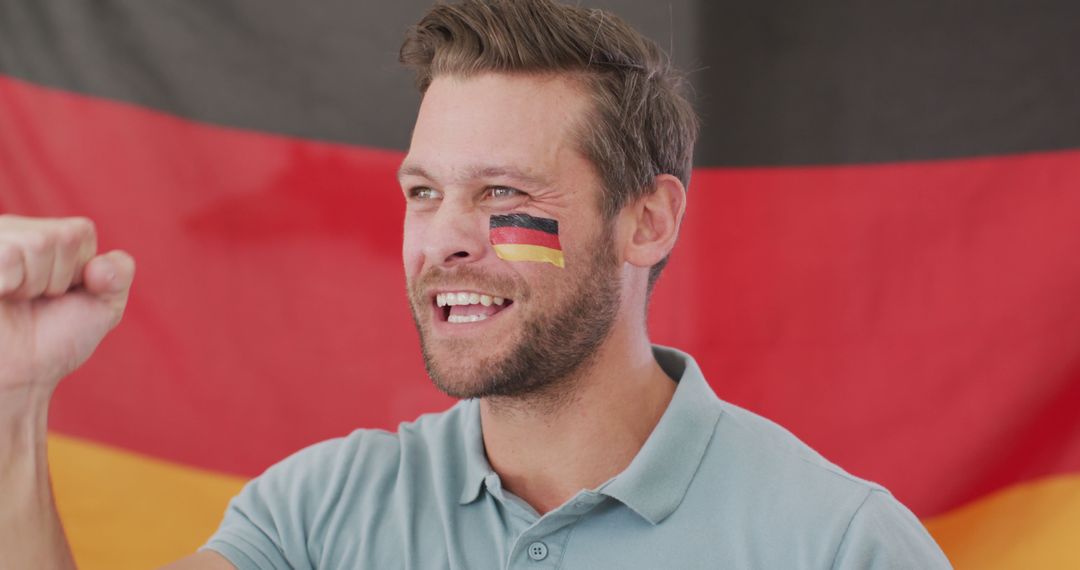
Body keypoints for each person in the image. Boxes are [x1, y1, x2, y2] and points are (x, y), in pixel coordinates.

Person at [0, 1, 952, 568]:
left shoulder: (840, 546)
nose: (444, 240)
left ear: (647, 220)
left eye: (503, 193)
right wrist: (16, 397)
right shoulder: (319, 516)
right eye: (424, 192)